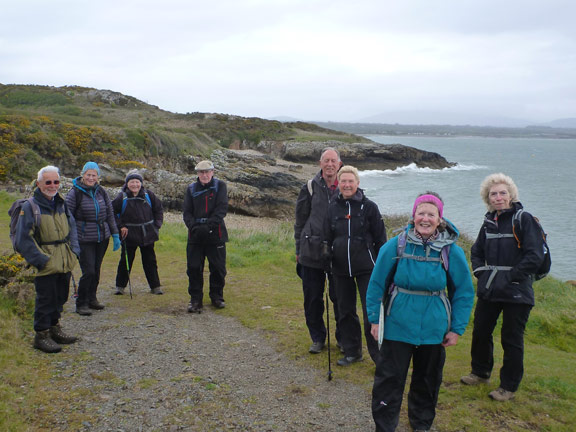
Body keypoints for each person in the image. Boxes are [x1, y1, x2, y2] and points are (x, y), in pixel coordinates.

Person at [366, 192, 474, 432]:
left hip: (434, 330)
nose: (425, 218)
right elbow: (375, 285)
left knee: (427, 382)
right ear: (413, 216)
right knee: (389, 381)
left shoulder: (451, 251)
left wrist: (456, 329)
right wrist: (375, 320)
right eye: (421, 213)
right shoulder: (395, 245)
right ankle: (384, 426)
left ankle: (421, 424)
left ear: (440, 218)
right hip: (396, 326)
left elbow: (464, 293)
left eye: (431, 214)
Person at [461, 173, 545, 402]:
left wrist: (511, 277)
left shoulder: (523, 219)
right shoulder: (488, 221)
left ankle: (508, 386)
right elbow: (477, 251)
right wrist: (480, 272)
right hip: (490, 289)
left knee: (511, 338)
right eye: (493, 194)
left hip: (517, 290)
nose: (498, 197)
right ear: (487, 198)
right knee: (480, 331)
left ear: (511, 195)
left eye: (502, 193)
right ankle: (480, 372)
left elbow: (535, 255)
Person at [13, 166, 81, 353]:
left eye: (56, 182)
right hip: (46, 263)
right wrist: (42, 260)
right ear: (39, 184)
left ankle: (54, 328)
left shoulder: (61, 203)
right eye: (48, 182)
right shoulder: (30, 207)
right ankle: (41, 335)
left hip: (65, 260)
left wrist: (74, 251)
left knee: (60, 297)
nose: (52, 186)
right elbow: (23, 239)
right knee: (45, 299)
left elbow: (72, 228)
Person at [323, 165, 386, 366]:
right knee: (345, 311)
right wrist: (325, 252)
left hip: (367, 268)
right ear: (338, 184)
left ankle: (379, 357)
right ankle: (353, 351)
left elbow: (381, 240)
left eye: (351, 181)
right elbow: (326, 236)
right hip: (340, 269)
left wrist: (381, 266)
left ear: (358, 184)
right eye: (344, 181)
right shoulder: (332, 208)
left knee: (371, 313)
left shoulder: (369, 207)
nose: (347, 185)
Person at [294, 147, 342, 354]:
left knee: (339, 298)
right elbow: (300, 220)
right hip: (310, 251)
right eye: (326, 160)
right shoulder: (309, 187)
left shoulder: (347, 187)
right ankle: (317, 337)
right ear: (320, 163)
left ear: (339, 164)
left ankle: (344, 339)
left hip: (338, 253)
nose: (330, 164)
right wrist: (298, 249)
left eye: (333, 161)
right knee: (312, 298)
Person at [66, 161, 120, 316]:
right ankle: (81, 303)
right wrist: (71, 240)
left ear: (98, 177)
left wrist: (115, 234)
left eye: (94, 175)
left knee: (96, 270)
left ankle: (92, 298)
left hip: (102, 237)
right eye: (88, 174)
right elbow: (68, 217)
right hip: (83, 239)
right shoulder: (74, 193)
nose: (91, 178)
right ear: (83, 175)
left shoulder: (101, 191)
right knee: (88, 271)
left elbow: (110, 214)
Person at [183, 160, 228, 313]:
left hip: (216, 233)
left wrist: (209, 226)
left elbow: (222, 209)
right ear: (197, 174)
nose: (204, 175)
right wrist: (194, 227)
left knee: (218, 267)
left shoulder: (220, 186)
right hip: (195, 234)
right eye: (201, 172)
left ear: (212, 172)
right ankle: (195, 299)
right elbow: (187, 212)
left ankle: (217, 296)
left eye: (207, 171)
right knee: (194, 267)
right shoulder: (190, 189)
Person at [112, 170, 164, 295]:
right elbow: (112, 214)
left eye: (137, 182)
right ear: (127, 184)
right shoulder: (121, 197)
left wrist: (156, 225)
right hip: (129, 235)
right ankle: (120, 286)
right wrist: (121, 226)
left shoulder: (148, 195)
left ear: (141, 183)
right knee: (125, 261)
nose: (135, 185)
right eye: (132, 182)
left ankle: (155, 286)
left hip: (148, 233)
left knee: (150, 261)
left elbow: (159, 209)